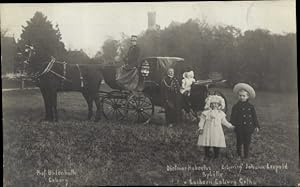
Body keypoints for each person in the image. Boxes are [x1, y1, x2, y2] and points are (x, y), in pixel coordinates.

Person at [197, 95, 235, 159]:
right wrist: (201, 128)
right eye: (213, 103)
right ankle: (207, 154)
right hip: (208, 130)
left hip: (217, 130)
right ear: (209, 104)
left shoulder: (220, 113)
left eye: (216, 104)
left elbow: (224, 121)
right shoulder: (206, 113)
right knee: (207, 141)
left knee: (216, 141)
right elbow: (202, 121)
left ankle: (216, 155)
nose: (214, 105)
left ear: (219, 105)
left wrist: (230, 126)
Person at [230, 83, 260, 159]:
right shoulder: (236, 106)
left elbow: (254, 117)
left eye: (244, 96)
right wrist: (232, 124)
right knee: (239, 142)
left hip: (248, 128)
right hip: (239, 127)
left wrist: (256, 125)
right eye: (240, 95)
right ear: (238, 96)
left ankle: (246, 155)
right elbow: (233, 116)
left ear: (248, 97)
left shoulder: (251, 107)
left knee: (247, 142)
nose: (242, 97)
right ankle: (239, 154)